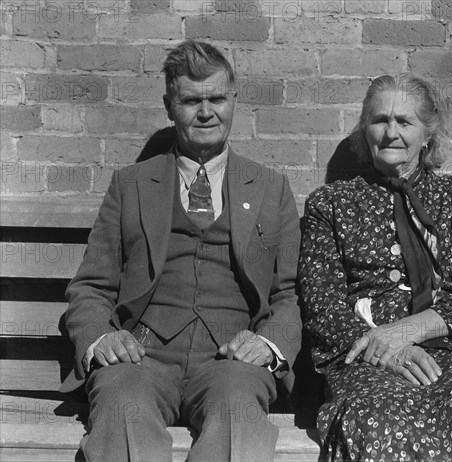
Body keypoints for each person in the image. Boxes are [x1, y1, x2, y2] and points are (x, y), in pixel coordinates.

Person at [60, 40, 302, 462]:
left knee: (237, 415)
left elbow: (290, 294)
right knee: (121, 409)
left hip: (231, 359)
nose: (206, 112)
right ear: (169, 106)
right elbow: (91, 286)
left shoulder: (269, 187)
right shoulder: (131, 184)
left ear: (234, 100)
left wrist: (269, 345)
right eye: (191, 100)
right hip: (143, 355)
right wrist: (101, 337)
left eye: (217, 98)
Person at [299, 73, 452, 461]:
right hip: (370, 356)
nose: (391, 132)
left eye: (404, 122)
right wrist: (387, 348)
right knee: (377, 420)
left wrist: (407, 330)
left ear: (427, 136)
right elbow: (322, 305)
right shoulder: (332, 204)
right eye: (380, 121)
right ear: (365, 131)